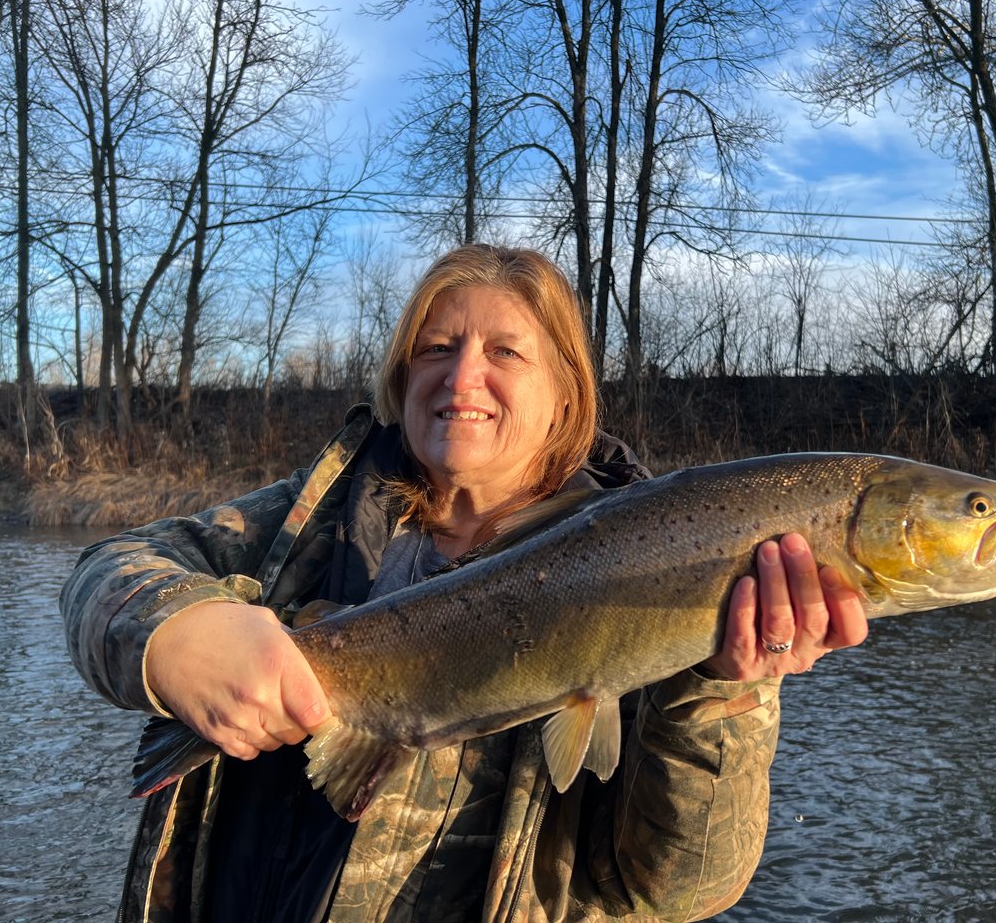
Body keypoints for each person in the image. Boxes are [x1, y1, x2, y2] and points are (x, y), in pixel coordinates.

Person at [60, 244, 869, 923]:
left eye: (505, 352)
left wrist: (726, 694)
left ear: (563, 394)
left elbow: (678, 890)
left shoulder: (666, 569)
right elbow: (105, 572)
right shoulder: (301, 526)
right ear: (401, 374)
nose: (461, 376)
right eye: (436, 347)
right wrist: (175, 633)